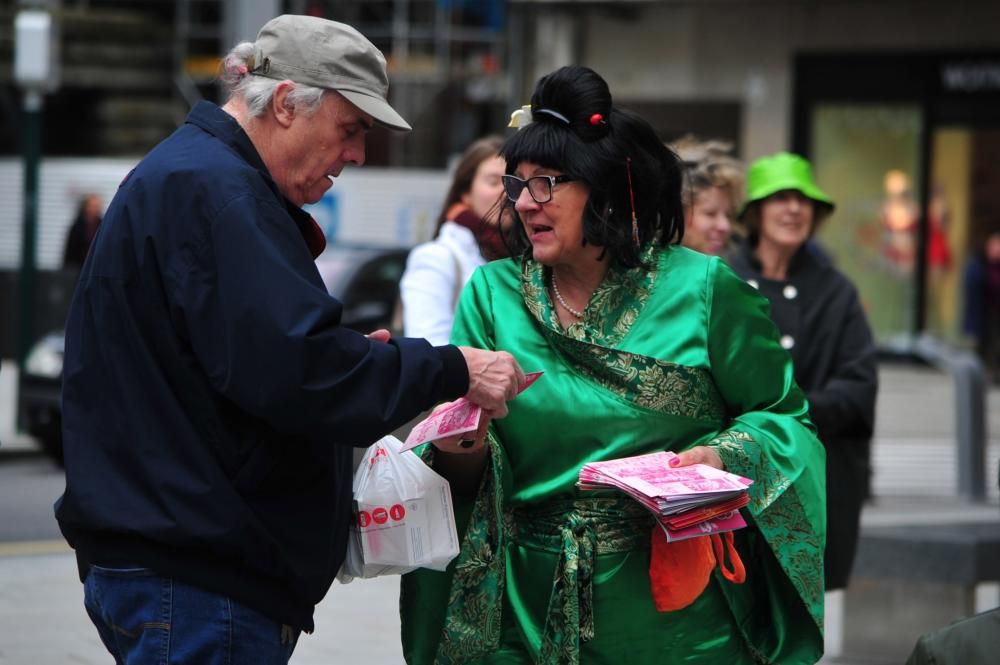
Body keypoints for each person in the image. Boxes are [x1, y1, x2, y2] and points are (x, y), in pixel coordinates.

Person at [53, 15, 524, 665]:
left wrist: (355, 354)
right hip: (197, 575)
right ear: (284, 105)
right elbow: (300, 369)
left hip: (180, 563)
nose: (356, 154)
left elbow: (258, 358)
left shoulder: (197, 177)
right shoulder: (218, 188)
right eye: (350, 130)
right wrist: (450, 367)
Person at [399, 66, 827, 664]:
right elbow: (463, 473)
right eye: (515, 185)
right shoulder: (491, 294)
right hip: (524, 606)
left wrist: (720, 456)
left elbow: (782, 418)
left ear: (603, 188)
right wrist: (462, 445)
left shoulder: (704, 290)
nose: (524, 204)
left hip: (677, 619)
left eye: (546, 183)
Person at [728, 152, 878, 592]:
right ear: (755, 212)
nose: (794, 209)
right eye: (780, 198)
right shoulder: (723, 279)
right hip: (738, 481)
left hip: (815, 480)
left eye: (803, 200)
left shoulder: (837, 290)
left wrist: (787, 414)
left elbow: (859, 387)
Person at [399, 135, 507, 345]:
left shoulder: (532, 258)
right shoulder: (436, 257)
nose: (505, 192)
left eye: (513, 181)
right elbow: (429, 347)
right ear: (465, 192)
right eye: (493, 181)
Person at [669, 135, 744, 256]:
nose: (725, 226)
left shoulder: (727, 271)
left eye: (728, 215)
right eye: (710, 213)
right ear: (677, 214)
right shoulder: (646, 272)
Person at [962, 230, 1000, 384]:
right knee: (983, 345)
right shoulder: (978, 264)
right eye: (996, 244)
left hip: (996, 312)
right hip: (983, 313)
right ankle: (982, 376)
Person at [62, 192, 103, 269]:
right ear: (85, 207)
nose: (93, 209)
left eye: (96, 206)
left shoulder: (102, 225)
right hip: (78, 267)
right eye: (91, 206)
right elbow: (70, 250)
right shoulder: (77, 226)